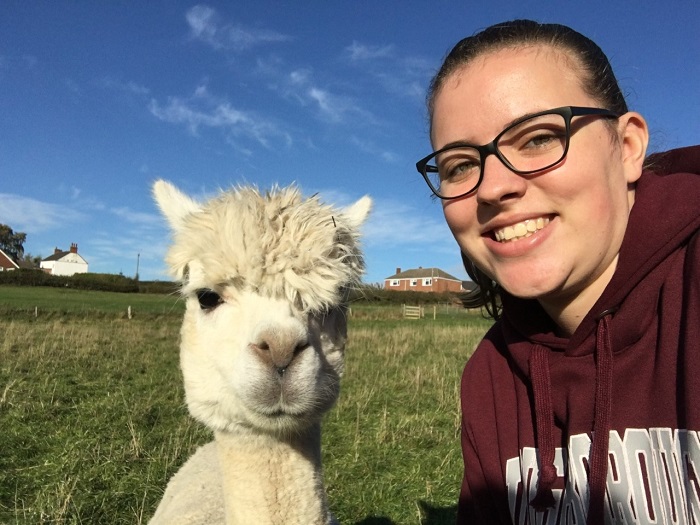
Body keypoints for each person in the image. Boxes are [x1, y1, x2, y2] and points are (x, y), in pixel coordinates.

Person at [415, 19, 700, 524]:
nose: (492, 188)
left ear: (628, 146)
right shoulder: (490, 376)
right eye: (459, 165)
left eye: (539, 137)